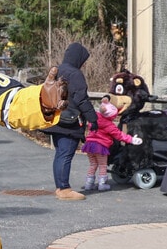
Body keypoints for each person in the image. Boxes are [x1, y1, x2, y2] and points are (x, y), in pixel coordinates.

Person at [41, 42, 98, 200]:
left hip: (55, 119)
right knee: (65, 154)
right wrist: (93, 118)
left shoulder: (58, 70)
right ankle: (64, 189)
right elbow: (82, 100)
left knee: (60, 154)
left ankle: (60, 188)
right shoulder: (75, 74)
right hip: (69, 122)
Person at [81, 97, 143, 192]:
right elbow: (119, 135)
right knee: (102, 165)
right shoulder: (109, 125)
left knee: (93, 164)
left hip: (89, 145)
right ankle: (102, 184)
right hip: (100, 146)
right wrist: (131, 140)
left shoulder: (94, 118)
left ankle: (89, 184)